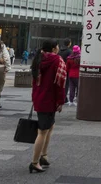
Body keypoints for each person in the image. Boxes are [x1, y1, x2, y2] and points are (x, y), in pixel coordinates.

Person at [29, 39, 66, 174]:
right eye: (57, 46)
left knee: (50, 126)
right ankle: (34, 162)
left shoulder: (38, 58)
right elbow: (60, 83)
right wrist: (61, 101)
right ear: (53, 48)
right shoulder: (57, 60)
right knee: (42, 131)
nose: (58, 48)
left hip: (39, 97)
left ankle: (43, 155)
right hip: (49, 99)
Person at [59, 38, 72, 103]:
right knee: (66, 84)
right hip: (66, 69)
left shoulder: (60, 51)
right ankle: (64, 97)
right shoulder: (69, 51)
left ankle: (62, 97)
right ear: (69, 43)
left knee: (60, 83)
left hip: (59, 68)